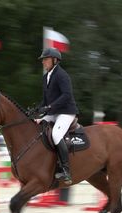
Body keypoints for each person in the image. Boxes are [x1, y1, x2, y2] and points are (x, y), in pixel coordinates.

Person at [36, 47, 79, 185]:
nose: (43, 62)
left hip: (66, 112)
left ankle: (66, 170)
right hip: (53, 113)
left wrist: (49, 107)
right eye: (43, 60)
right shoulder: (46, 77)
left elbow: (66, 95)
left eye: (46, 59)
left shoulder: (62, 75)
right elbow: (45, 99)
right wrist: (37, 110)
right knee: (36, 125)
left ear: (55, 60)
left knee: (55, 135)